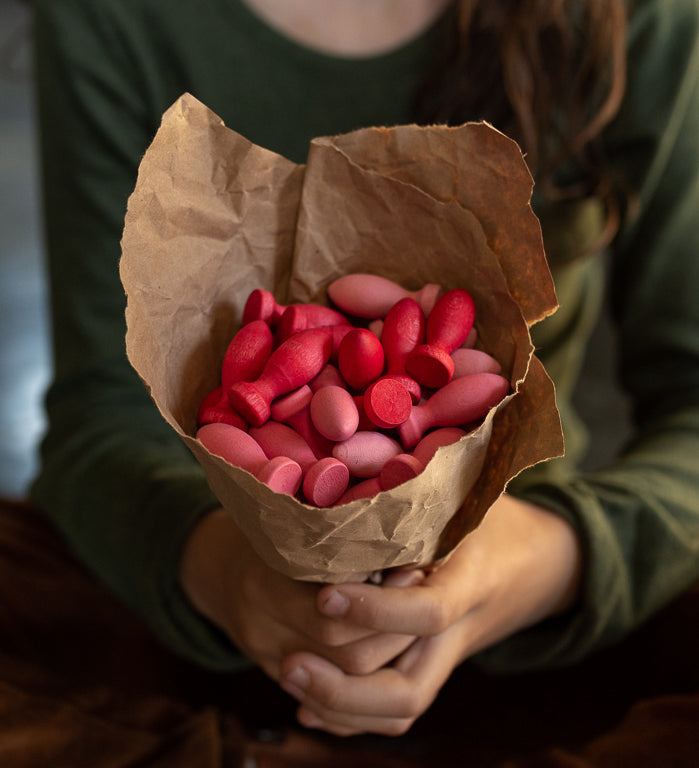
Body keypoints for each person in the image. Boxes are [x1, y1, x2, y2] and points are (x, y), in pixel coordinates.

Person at [30, 0, 699, 739]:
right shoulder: (111, 18)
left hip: (549, 653)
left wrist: (545, 560)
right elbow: (95, 426)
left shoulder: (633, 20)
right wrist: (227, 574)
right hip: (211, 667)